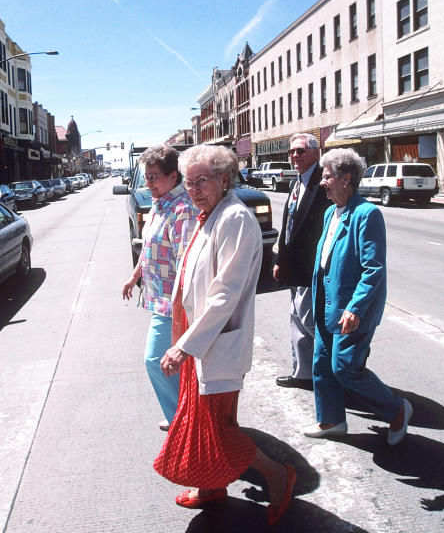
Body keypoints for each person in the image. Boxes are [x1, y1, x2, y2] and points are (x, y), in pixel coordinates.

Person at [153, 145, 296, 525]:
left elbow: (223, 294)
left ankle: (279, 476)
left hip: (213, 346)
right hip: (197, 343)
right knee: (198, 422)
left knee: (219, 430)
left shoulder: (234, 218)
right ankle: (211, 486)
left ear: (225, 179)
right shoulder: (207, 216)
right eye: (189, 182)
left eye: (203, 180)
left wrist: (184, 347)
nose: (195, 189)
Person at [302, 148, 413, 445]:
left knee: (345, 366)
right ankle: (331, 420)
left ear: (345, 178)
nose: (323, 182)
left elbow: (373, 267)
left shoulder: (367, 213)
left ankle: (397, 409)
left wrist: (356, 307)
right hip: (327, 301)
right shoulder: (331, 212)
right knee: (322, 363)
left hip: (352, 308)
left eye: (327, 177)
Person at [122, 145, 200, 431]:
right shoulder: (160, 203)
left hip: (174, 304)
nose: (148, 183)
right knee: (169, 364)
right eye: (147, 177)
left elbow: (186, 264)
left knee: (156, 360)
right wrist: (134, 276)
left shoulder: (182, 210)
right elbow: (149, 248)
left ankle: (183, 421)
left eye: (154, 177)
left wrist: (182, 310)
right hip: (159, 300)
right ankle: (182, 415)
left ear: (174, 176)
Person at [273, 133, 331, 391]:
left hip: (312, 269)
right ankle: (303, 373)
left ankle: (335, 371)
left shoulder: (324, 184)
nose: (294, 156)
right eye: (292, 152)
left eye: (301, 151)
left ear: (316, 153)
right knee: (297, 320)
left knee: (310, 322)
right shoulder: (296, 183)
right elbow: (288, 228)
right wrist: (280, 260)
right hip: (294, 268)